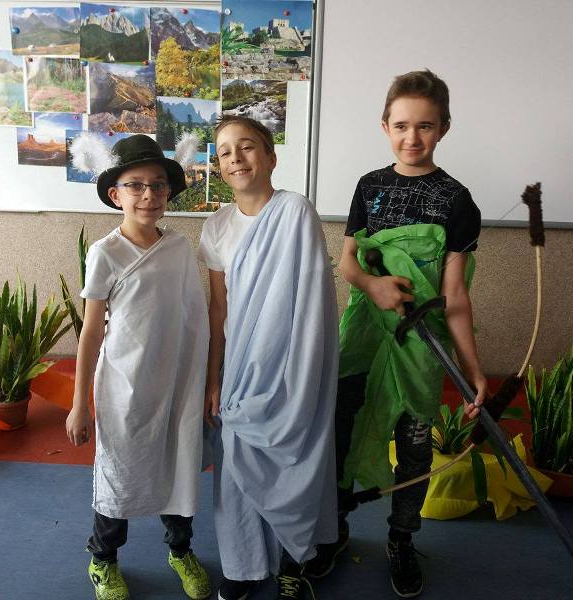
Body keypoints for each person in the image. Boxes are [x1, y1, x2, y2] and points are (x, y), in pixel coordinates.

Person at [306, 70, 486, 598]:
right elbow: (348, 262)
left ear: (443, 128)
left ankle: (402, 539)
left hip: (421, 344)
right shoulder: (370, 187)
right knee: (342, 430)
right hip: (364, 335)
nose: (412, 137)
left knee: (414, 447)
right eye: (402, 125)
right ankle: (333, 529)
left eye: (425, 126)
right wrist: (373, 285)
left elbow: (455, 295)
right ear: (385, 126)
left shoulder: (457, 200)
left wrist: (473, 370)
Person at [198, 116, 338, 600]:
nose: (236, 158)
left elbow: (311, 301)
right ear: (219, 166)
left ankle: (293, 560)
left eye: (247, 147)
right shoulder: (217, 226)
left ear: (271, 157)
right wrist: (213, 378)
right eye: (224, 152)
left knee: (291, 458)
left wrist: (302, 369)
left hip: (291, 365)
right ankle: (242, 567)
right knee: (235, 462)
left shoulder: (296, 211)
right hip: (239, 369)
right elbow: (219, 307)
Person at [66, 134, 211, 600]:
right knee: (121, 471)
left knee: (179, 465)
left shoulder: (180, 248)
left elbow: (194, 318)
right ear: (116, 194)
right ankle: (103, 558)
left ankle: (180, 549)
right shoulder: (105, 252)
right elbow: (91, 332)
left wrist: (207, 381)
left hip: (178, 382)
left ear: (169, 192)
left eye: (158, 185)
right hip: (125, 386)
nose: (149, 195)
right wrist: (79, 405)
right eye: (135, 185)